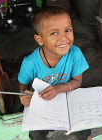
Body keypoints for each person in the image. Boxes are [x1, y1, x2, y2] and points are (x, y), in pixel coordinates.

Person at [18, 6, 91, 140]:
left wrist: (58, 89)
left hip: (67, 97)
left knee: (83, 121)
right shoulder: (30, 63)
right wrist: (25, 97)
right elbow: (23, 85)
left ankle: (85, 137)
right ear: (40, 39)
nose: (64, 38)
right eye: (54, 33)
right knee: (35, 132)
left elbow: (77, 81)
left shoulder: (75, 54)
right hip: (42, 101)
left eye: (67, 30)